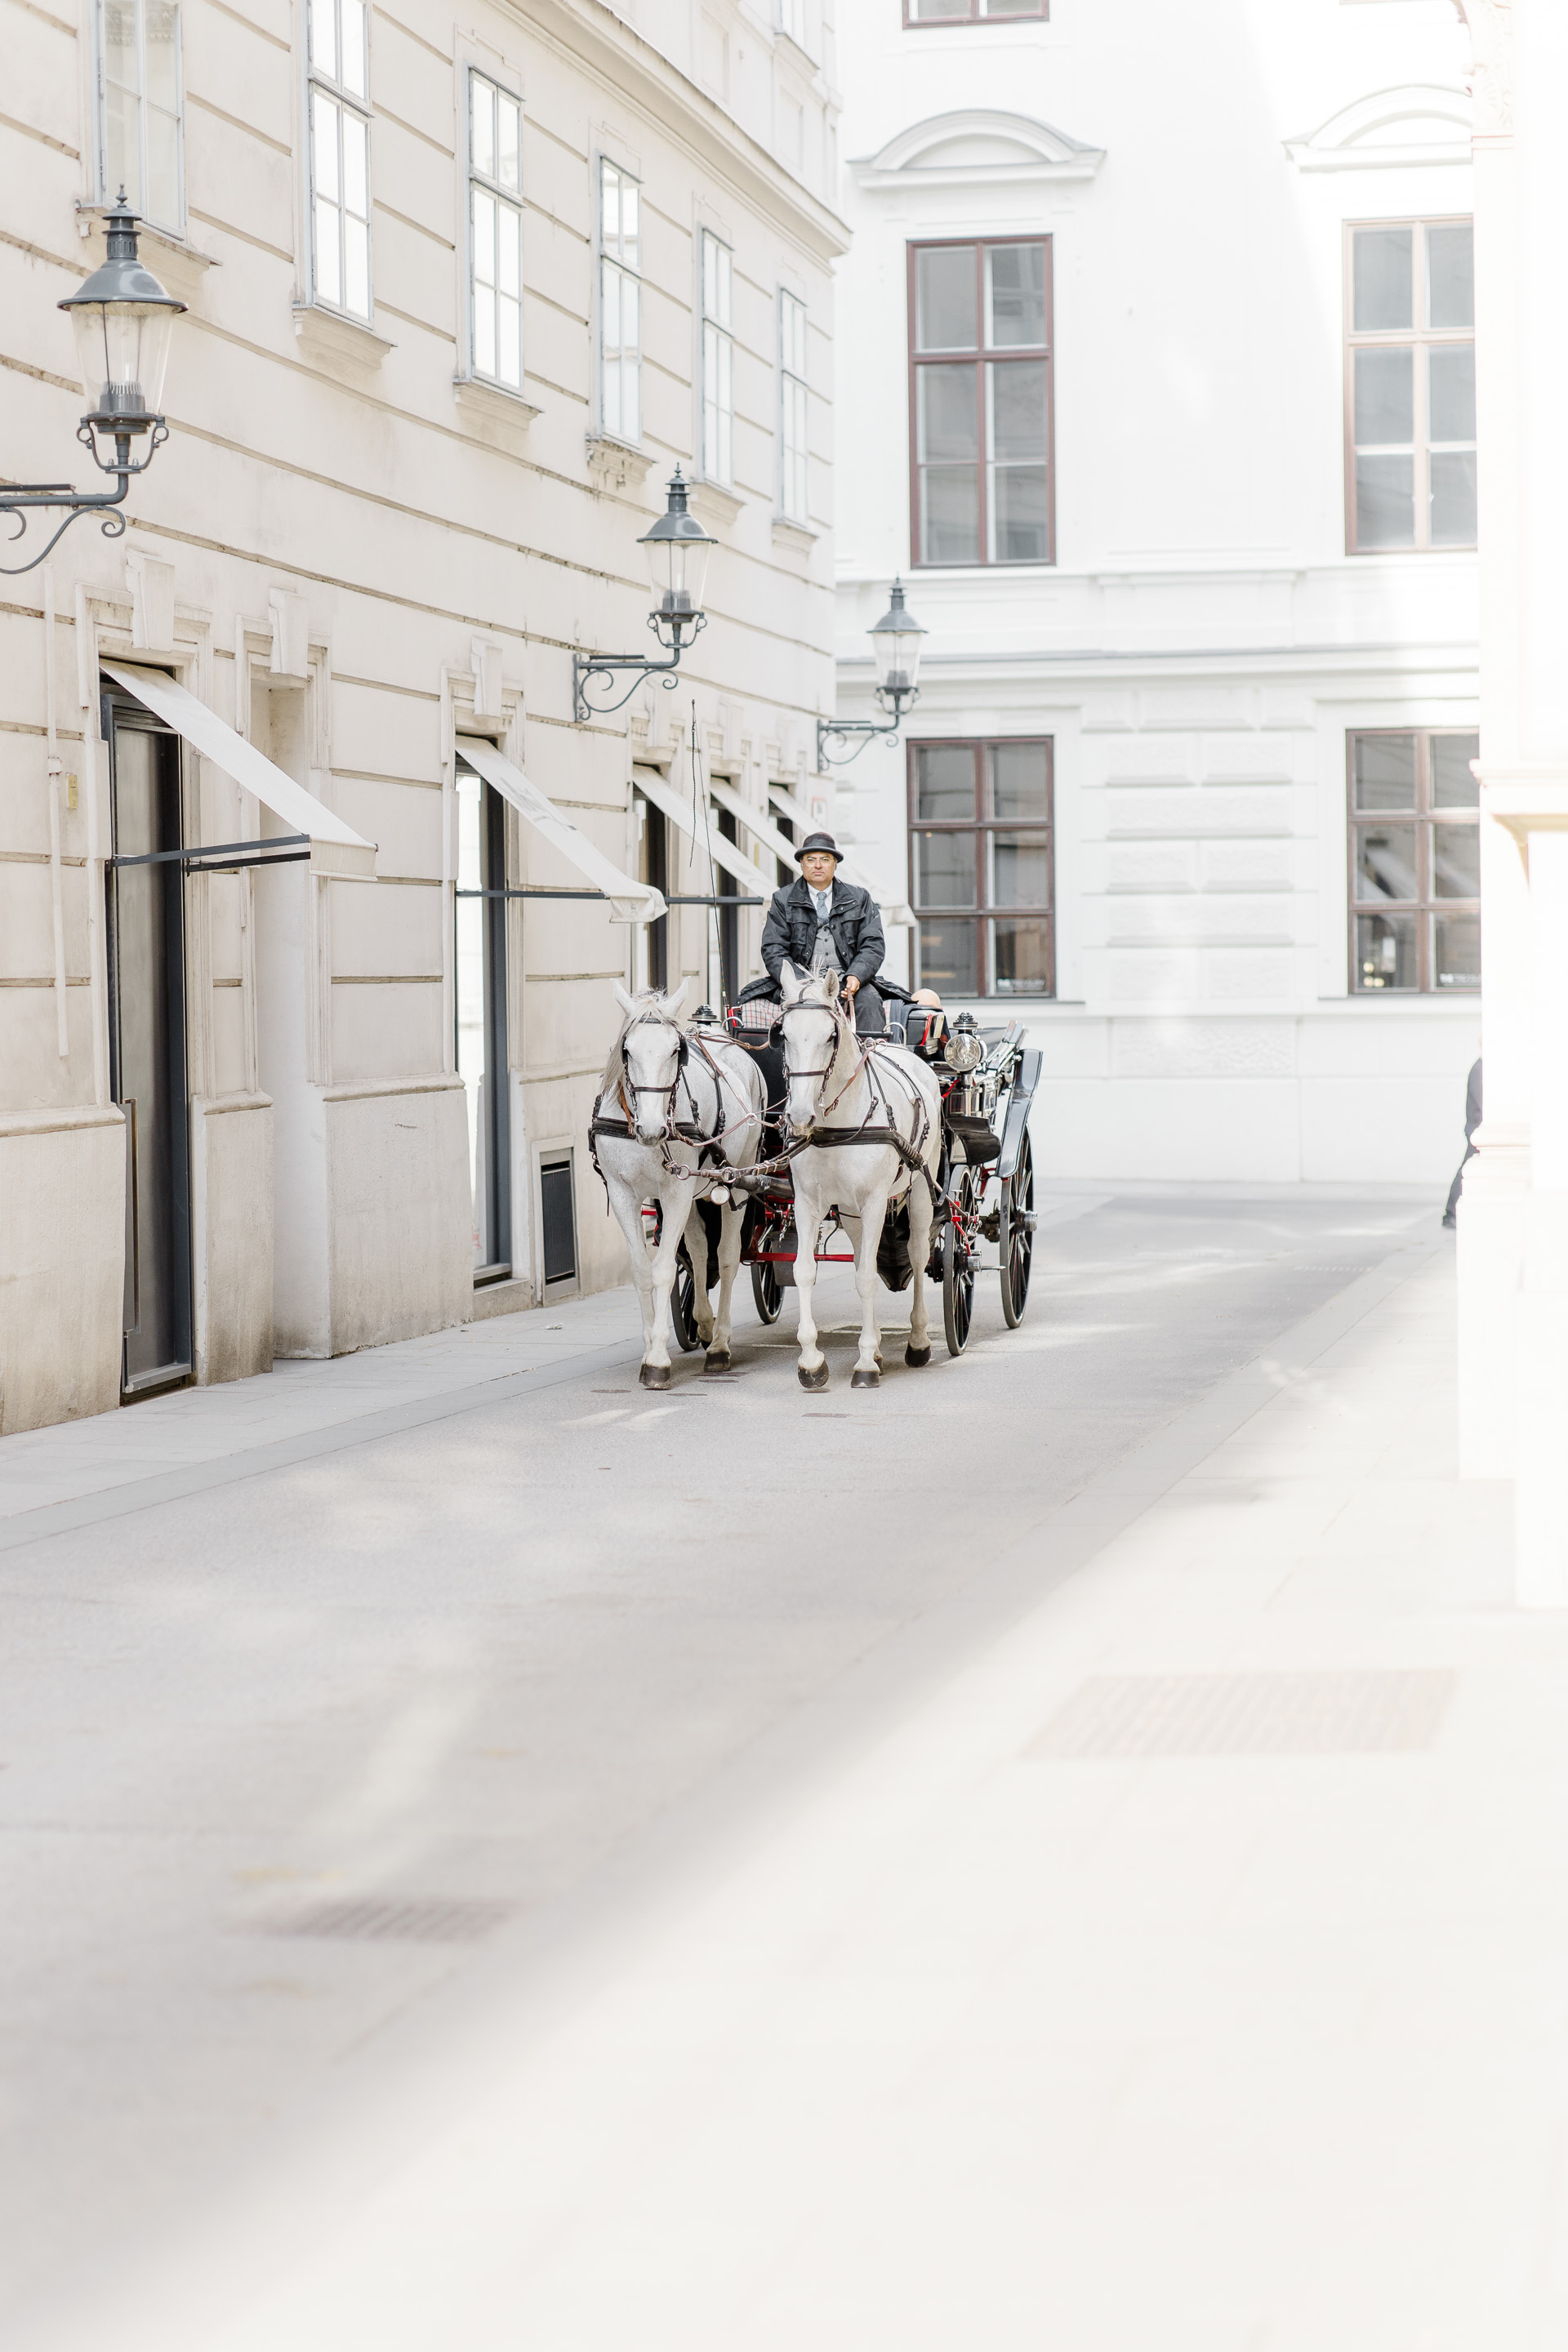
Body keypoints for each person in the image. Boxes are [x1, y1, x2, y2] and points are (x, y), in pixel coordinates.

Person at [760, 832, 888, 1037]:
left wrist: (856, 975)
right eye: (810, 860)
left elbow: (873, 944)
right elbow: (773, 949)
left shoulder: (860, 898)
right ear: (802, 864)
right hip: (800, 985)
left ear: (835, 864)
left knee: (870, 1003)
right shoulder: (782, 899)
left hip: (849, 983)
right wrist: (799, 983)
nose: (817, 865)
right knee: (753, 1008)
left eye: (825, 860)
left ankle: (868, 1061)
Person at [1442, 1057, 1482, 1229]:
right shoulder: (1480, 1068)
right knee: (1466, 1169)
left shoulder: (1483, 1067)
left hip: (1478, 1128)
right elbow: (1481, 1103)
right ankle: (1450, 1214)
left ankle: (1453, 1213)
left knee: (1468, 1169)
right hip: (1477, 1128)